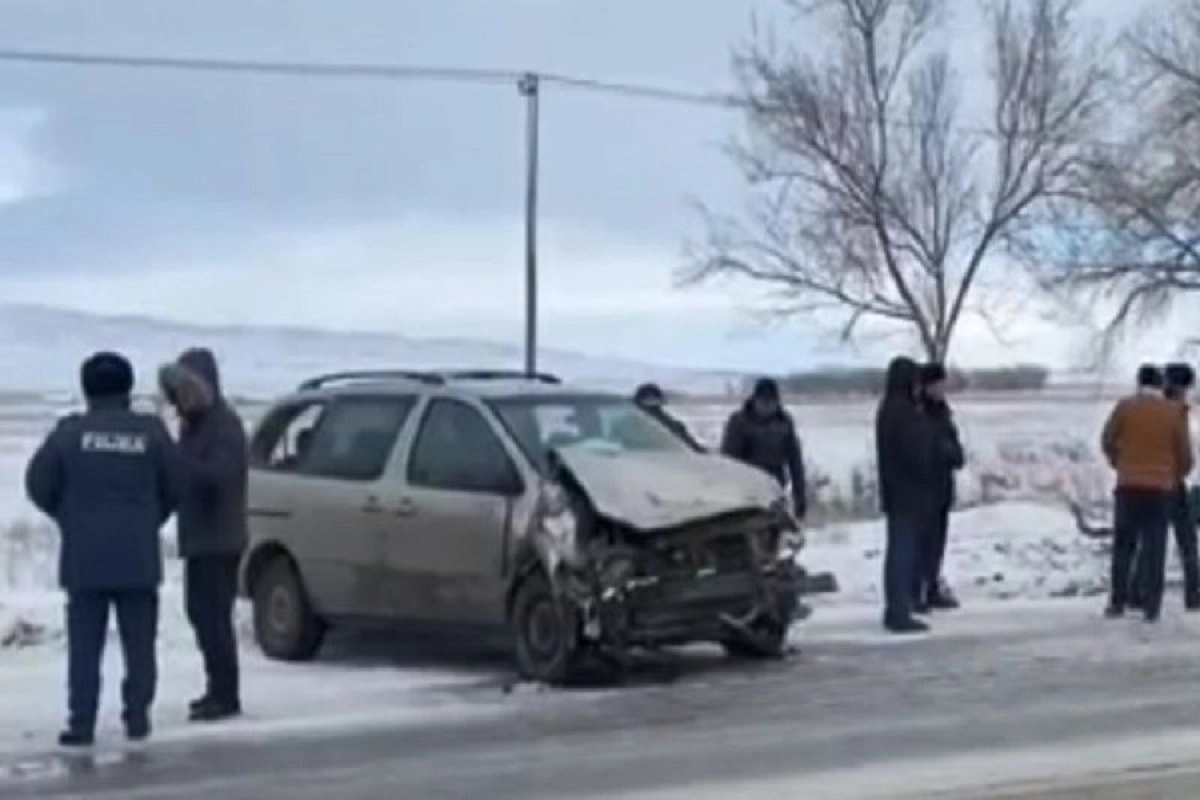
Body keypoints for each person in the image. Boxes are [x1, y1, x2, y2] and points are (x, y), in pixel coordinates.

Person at [25, 352, 177, 747]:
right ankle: (138, 717)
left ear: (87, 388)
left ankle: (81, 722)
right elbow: (175, 486)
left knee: (84, 647)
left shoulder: (70, 433)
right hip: (138, 557)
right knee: (140, 644)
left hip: (85, 558)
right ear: (127, 388)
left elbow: (38, 482)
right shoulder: (151, 432)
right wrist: (148, 519)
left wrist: (69, 516)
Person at [159, 348, 249, 722]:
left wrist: (180, 466)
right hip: (200, 536)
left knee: (213, 617)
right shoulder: (192, 426)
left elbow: (220, 477)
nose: (183, 397)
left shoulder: (223, 425)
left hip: (220, 537)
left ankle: (225, 694)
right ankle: (218, 688)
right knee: (200, 614)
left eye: (188, 388)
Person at [1101, 364, 1193, 623]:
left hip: (1128, 485)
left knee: (1123, 547)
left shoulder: (1125, 407)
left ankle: (1117, 603)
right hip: (1160, 489)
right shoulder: (1173, 412)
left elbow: (1107, 440)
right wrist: (1174, 474)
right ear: (1160, 383)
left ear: (1138, 381)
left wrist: (1119, 462)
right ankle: (1152, 608)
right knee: (1155, 548)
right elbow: (1184, 454)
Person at [1130, 362, 1199, 611]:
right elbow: (1184, 452)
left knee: (1151, 541)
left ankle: (1136, 591)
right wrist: (1181, 473)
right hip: (1172, 481)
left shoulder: (1156, 407)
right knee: (1187, 541)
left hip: (1153, 482)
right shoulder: (1175, 411)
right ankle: (1193, 594)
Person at [875, 357, 937, 634]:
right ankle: (898, 610)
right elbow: (915, 453)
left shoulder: (888, 409)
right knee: (903, 552)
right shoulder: (904, 412)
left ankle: (896, 608)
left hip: (896, 491)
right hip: (908, 493)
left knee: (899, 551)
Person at [914, 363, 965, 613]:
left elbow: (955, 447)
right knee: (923, 542)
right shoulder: (919, 413)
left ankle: (932, 586)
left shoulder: (943, 412)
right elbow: (923, 449)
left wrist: (953, 453)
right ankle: (919, 590)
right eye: (938, 384)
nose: (941, 389)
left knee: (937, 542)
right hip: (924, 487)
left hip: (942, 486)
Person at [720, 377, 807, 520]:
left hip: (775, 489)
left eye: (771, 402)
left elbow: (795, 461)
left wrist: (800, 496)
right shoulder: (739, 422)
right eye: (763, 401)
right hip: (746, 491)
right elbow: (729, 460)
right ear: (755, 400)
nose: (766, 406)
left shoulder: (784, 422)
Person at [633, 382, 703, 451]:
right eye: (648, 399)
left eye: (653, 399)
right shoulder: (632, 419)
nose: (651, 401)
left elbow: (693, 447)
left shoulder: (671, 423)